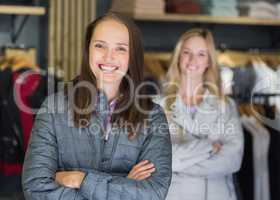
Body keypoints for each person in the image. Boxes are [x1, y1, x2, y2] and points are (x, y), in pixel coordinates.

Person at [22, 12, 172, 200]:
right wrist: (124, 182)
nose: (109, 57)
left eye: (121, 48)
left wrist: (81, 179)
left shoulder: (152, 115)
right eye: (100, 45)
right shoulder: (53, 108)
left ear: (132, 56)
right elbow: (36, 188)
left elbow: (154, 192)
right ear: (88, 49)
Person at [154, 28, 244, 200]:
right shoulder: (157, 105)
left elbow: (232, 160)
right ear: (178, 57)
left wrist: (175, 164)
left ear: (209, 61)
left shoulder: (226, 106)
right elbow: (154, 159)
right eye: (187, 52)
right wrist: (210, 148)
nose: (192, 60)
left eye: (201, 54)